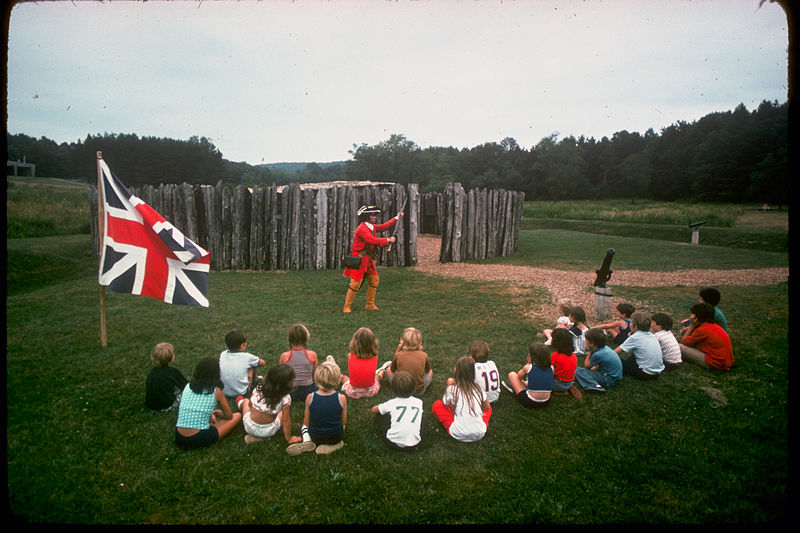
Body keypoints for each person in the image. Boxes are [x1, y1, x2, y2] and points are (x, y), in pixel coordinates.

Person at [342, 205, 404, 313]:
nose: (375, 217)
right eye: (373, 215)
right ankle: (346, 306)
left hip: (368, 259)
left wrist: (396, 218)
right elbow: (371, 240)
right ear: (367, 217)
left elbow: (384, 226)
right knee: (355, 284)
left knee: (374, 281)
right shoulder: (362, 229)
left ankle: (370, 304)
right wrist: (388, 240)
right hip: (360, 259)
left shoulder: (371, 226)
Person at [174, 357, 242, 450]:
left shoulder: (188, 386)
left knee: (211, 420)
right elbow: (229, 417)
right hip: (197, 438)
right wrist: (220, 414)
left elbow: (194, 406)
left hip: (179, 436)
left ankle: (208, 422)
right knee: (237, 416)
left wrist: (210, 414)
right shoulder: (216, 391)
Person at [286, 356, 347, 455]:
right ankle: (336, 444)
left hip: (315, 435)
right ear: (337, 380)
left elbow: (307, 421)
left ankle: (307, 441)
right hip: (335, 435)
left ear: (316, 379)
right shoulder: (341, 398)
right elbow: (343, 421)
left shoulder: (310, 397)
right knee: (342, 427)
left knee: (304, 427)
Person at [236, 364, 302, 445]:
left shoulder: (258, 389)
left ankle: (240, 403)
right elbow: (286, 420)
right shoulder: (285, 398)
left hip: (249, 427)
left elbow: (250, 406)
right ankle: (263, 437)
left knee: (246, 401)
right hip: (269, 431)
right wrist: (289, 439)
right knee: (282, 413)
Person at [432, 357, 491, 443]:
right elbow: (486, 408)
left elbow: (445, 403)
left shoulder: (452, 389)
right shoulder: (479, 389)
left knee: (437, 405)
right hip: (480, 432)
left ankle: (459, 418)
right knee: (489, 409)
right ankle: (474, 421)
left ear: (456, 371)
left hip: (457, 433)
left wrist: (449, 385)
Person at [371, 370, 423, 451]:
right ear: (413, 388)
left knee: (379, 415)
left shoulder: (392, 403)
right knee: (422, 417)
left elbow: (374, 410)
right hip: (414, 443)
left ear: (394, 390)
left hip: (393, 442)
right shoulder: (419, 402)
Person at [679, 303, 734, 371]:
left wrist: (692, 325)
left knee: (679, 347)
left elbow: (684, 341)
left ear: (697, 318)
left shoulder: (702, 330)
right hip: (725, 361)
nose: (691, 317)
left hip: (715, 363)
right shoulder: (712, 325)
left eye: (693, 315)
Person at [382, 327, 433, 397]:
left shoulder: (398, 355)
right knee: (430, 372)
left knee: (388, 370)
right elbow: (427, 370)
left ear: (402, 341)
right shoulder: (424, 355)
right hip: (418, 391)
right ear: (419, 342)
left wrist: (398, 350)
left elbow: (393, 369)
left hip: (400, 389)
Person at [614, 311, 664, 380]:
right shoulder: (652, 335)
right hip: (657, 373)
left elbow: (615, 352)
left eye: (631, 322)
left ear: (636, 327)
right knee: (635, 355)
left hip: (644, 374)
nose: (629, 324)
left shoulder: (635, 337)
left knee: (615, 358)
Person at [504, 343, 553, 408]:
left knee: (512, 375)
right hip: (546, 401)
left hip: (530, 402)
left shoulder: (529, 367)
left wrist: (529, 363)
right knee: (529, 382)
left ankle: (516, 390)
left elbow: (519, 376)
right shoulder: (552, 368)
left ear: (533, 357)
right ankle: (527, 387)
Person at [279, 324, 319, 402]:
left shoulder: (284, 356)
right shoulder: (312, 355)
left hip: (290, 392)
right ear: (306, 338)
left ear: (290, 339)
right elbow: (315, 377)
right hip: (309, 391)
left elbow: (281, 378)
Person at [574, 328, 623, 392]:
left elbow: (586, 366)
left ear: (592, 343)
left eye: (586, 341)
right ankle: (591, 380)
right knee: (580, 370)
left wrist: (589, 351)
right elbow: (598, 366)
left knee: (577, 371)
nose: (585, 342)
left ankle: (594, 385)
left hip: (609, 379)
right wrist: (590, 372)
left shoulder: (598, 354)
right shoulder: (605, 349)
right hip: (616, 377)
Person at [219, 330, 265, 399]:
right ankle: (254, 382)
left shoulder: (223, 354)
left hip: (223, 391)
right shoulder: (247, 357)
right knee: (252, 364)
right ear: (242, 345)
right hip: (241, 392)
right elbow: (263, 363)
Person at [145, 342, 188, 412]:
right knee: (185, 393)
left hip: (150, 406)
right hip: (166, 405)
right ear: (171, 358)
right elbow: (185, 386)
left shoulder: (151, 372)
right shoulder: (173, 371)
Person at [340, 327, 382, 399]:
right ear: (373, 344)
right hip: (370, 391)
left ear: (354, 343)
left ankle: (337, 374)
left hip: (354, 392)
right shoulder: (375, 357)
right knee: (377, 376)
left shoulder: (350, 356)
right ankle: (382, 371)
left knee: (344, 378)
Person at [549, 328, 581, 399]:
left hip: (558, 383)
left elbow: (546, 367)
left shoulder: (555, 356)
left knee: (541, 377)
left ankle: (560, 391)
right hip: (570, 382)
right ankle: (569, 387)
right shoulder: (573, 355)